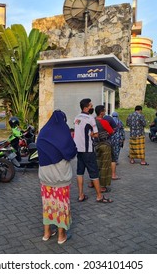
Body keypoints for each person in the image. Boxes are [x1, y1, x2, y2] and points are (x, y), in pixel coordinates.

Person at [36, 110, 77, 244]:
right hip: (60, 177)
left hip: (45, 177)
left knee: (47, 205)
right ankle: (61, 236)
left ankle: (46, 233)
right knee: (62, 206)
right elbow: (71, 152)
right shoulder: (63, 133)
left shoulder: (43, 133)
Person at [74, 98, 113, 203]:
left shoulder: (76, 118)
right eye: (91, 106)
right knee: (94, 173)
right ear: (86, 107)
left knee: (80, 172)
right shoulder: (90, 119)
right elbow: (96, 134)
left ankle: (81, 195)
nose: (92, 107)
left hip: (79, 150)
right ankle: (99, 196)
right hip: (88, 150)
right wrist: (91, 134)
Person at [93, 105, 114, 192]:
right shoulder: (104, 122)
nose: (105, 112)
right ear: (101, 112)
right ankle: (102, 186)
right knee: (104, 166)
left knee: (96, 164)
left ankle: (93, 182)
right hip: (105, 145)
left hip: (95, 145)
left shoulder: (92, 121)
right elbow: (111, 132)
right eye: (104, 111)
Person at [110, 111, 125, 179]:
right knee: (117, 149)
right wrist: (123, 138)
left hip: (111, 138)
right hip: (118, 138)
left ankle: (111, 160)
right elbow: (122, 131)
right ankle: (115, 160)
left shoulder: (109, 121)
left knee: (111, 149)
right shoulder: (120, 122)